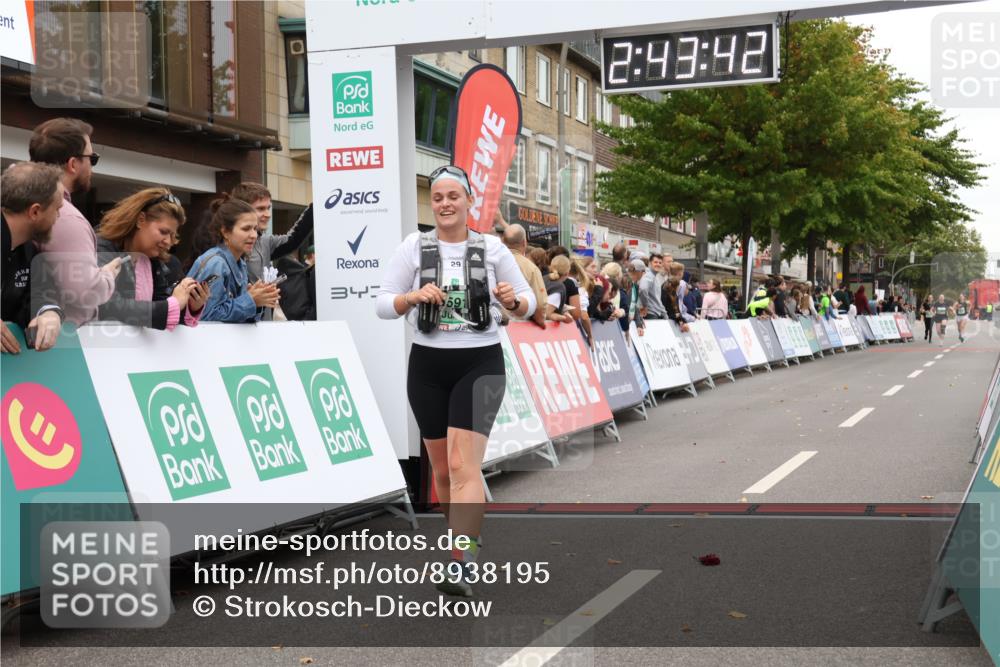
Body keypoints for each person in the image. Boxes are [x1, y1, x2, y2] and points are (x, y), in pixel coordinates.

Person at [375, 164, 534, 597]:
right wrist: (412, 296)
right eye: (438, 197)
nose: (445, 204)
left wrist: (513, 299)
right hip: (427, 365)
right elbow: (382, 303)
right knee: (443, 472)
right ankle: (461, 542)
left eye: (454, 197)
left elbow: (528, 303)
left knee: (465, 466)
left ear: (469, 202)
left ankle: (461, 560)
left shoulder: (493, 249)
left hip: (479, 363)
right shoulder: (414, 247)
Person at [30, 118, 122, 325]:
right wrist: (107, 275)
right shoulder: (66, 217)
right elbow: (85, 292)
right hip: (62, 342)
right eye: (92, 158)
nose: (92, 166)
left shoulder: (26, 206)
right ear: (73, 164)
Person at [95, 188, 208, 329]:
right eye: (163, 232)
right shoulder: (102, 249)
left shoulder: (158, 262)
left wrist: (191, 305)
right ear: (141, 220)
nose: (168, 241)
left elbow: (162, 313)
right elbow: (108, 306)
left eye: (172, 236)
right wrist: (172, 304)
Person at [1, 162, 66, 353]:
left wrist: (49, 312)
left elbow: (40, 292)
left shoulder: (29, 251)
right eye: (57, 209)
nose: (58, 217)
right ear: (35, 211)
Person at [187, 196, 280, 322]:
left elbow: (239, 318)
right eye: (246, 229)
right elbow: (207, 317)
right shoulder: (216, 264)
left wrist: (259, 301)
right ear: (225, 231)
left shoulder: (240, 263)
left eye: (255, 229)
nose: (253, 235)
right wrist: (251, 300)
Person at [230, 183, 314, 321]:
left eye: (269, 208)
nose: (268, 214)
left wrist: (315, 207)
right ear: (242, 210)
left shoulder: (265, 242)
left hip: (263, 329)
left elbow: (294, 239)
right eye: (261, 209)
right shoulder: (226, 250)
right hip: (237, 332)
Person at [501, 223, 547, 328]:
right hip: (520, 327)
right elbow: (540, 303)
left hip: (495, 326)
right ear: (524, 242)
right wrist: (540, 322)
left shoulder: (492, 262)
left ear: (503, 241)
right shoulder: (531, 268)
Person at [638, 254, 667, 320]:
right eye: (655, 262)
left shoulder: (655, 277)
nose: (658, 264)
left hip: (656, 313)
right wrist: (645, 306)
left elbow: (657, 299)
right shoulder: (648, 275)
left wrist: (664, 313)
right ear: (650, 263)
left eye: (660, 263)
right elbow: (643, 289)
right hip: (650, 314)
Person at [624, 259, 647, 335]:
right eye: (643, 272)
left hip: (627, 323)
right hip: (623, 324)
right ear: (639, 272)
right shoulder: (627, 284)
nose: (644, 274)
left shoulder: (635, 286)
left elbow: (634, 306)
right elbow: (628, 305)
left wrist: (638, 322)